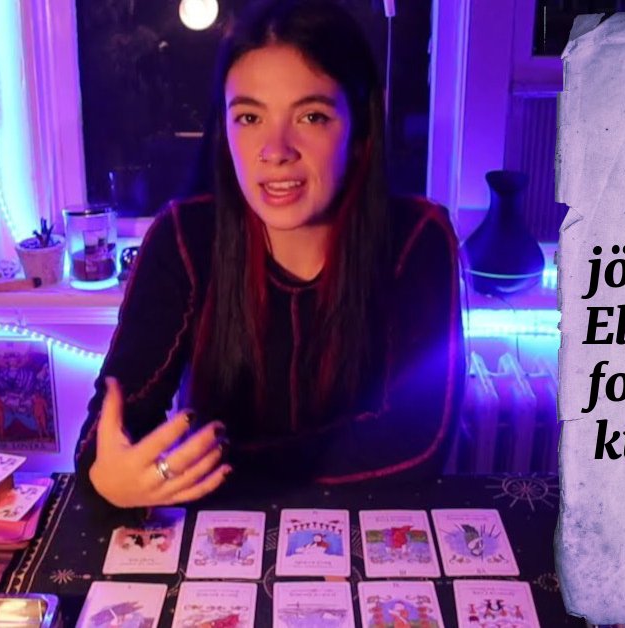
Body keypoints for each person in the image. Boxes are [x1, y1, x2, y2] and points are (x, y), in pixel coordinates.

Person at [74, 0, 465, 509]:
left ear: (359, 129)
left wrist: (217, 462)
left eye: (311, 116)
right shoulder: (184, 238)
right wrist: (108, 478)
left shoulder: (418, 237)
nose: (275, 150)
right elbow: (108, 433)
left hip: (372, 532)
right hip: (222, 541)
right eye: (250, 117)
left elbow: (417, 443)